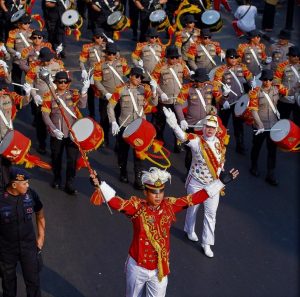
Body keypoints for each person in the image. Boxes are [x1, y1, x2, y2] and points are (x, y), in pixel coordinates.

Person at [90, 166, 238, 296]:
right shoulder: (137, 208)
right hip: (137, 267)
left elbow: (195, 198)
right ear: (146, 193)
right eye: (154, 192)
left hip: (159, 269)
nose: (158, 196)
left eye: (161, 192)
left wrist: (220, 183)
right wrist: (100, 184)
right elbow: (117, 202)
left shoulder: (170, 206)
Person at [163, 107, 231, 257]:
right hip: (196, 181)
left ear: (216, 129)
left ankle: (206, 243)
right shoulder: (196, 141)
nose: (210, 130)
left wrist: (221, 178)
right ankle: (189, 230)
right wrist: (174, 124)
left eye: (213, 128)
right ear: (203, 127)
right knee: (192, 208)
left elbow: (221, 162)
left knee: (211, 214)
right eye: (207, 127)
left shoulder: (219, 143)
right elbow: (183, 137)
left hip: (213, 184)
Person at [107, 67, 158, 189]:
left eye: (141, 77)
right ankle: (123, 172)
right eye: (137, 76)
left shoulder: (144, 89)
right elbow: (110, 106)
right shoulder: (120, 89)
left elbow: (154, 103)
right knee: (123, 153)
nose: (139, 79)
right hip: (125, 125)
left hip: (140, 127)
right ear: (130, 76)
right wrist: (113, 122)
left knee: (139, 154)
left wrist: (155, 91)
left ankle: (138, 179)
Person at [41, 71, 90, 194]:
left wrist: (84, 92)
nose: (63, 84)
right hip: (57, 133)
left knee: (71, 159)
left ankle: (70, 183)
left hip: (72, 133)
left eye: (65, 82)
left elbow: (82, 105)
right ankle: (57, 178)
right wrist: (53, 129)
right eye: (60, 81)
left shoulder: (73, 94)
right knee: (56, 157)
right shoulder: (49, 96)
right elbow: (45, 115)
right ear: (56, 82)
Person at [0, 167, 45, 297]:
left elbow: (40, 212)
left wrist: (41, 237)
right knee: (8, 285)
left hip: (29, 247)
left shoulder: (31, 194)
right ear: (14, 185)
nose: (27, 185)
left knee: (34, 283)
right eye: (24, 183)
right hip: (6, 249)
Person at [174, 68, 220, 172]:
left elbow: (220, 99)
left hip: (206, 124)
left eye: (203, 81)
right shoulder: (187, 88)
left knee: (207, 149)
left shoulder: (211, 87)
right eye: (199, 81)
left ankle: (205, 171)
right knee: (191, 151)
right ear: (195, 80)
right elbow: (177, 105)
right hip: (192, 125)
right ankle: (189, 172)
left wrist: (225, 95)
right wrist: (181, 120)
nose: (201, 84)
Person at [248, 69, 289, 186]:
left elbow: (289, 92)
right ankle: (254, 165)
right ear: (261, 80)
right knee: (257, 147)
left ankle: (270, 174)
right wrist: (259, 124)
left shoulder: (277, 88)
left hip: (273, 125)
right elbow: (254, 110)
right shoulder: (255, 92)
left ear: (272, 80)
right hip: (260, 125)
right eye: (265, 79)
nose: (267, 82)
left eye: (270, 80)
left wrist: (297, 85)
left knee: (272, 150)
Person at [213, 48, 254, 154]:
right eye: (231, 57)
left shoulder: (242, 67)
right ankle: (219, 145)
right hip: (226, 103)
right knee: (223, 125)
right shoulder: (220, 71)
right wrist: (221, 100)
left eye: (236, 57)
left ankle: (240, 146)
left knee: (239, 125)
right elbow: (215, 87)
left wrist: (252, 82)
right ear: (226, 58)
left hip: (239, 101)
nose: (234, 59)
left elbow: (250, 77)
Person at [25, 47, 65, 154]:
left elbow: (64, 81)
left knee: (56, 123)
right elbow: (29, 83)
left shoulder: (58, 65)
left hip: (55, 100)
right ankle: (42, 144)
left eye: (50, 59)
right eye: (46, 60)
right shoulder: (34, 67)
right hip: (41, 101)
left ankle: (55, 147)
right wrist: (34, 95)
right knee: (41, 124)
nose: (49, 62)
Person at [151, 45, 190, 152]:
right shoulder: (160, 67)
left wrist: (192, 74)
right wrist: (161, 93)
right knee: (160, 122)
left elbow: (188, 76)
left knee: (178, 122)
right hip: (165, 100)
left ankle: (178, 144)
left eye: (176, 57)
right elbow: (153, 82)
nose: (174, 60)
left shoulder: (182, 65)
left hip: (178, 100)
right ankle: (159, 141)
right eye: (172, 58)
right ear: (167, 57)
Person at [94, 42, 130, 146]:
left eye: (113, 54)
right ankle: (104, 139)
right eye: (109, 54)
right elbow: (97, 81)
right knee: (105, 119)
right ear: (106, 54)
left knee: (120, 119)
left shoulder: (122, 62)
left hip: (119, 97)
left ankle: (119, 142)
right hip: (106, 97)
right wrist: (105, 93)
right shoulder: (99, 66)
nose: (111, 56)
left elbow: (128, 75)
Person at [0, 85, 32, 192]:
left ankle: (6, 191)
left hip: (7, 138)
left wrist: (27, 94)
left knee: (6, 167)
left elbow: (23, 101)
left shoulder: (8, 96)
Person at [79, 28, 107, 119]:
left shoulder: (107, 46)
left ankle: (103, 115)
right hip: (92, 75)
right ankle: (92, 114)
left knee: (103, 96)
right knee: (91, 95)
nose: (100, 39)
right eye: (97, 37)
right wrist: (83, 70)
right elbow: (82, 61)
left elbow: (115, 56)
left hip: (104, 74)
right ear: (94, 38)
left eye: (102, 37)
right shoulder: (87, 47)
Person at [6, 13, 33, 94]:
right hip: (18, 61)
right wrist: (16, 53)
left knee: (30, 81)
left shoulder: (33, 32)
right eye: (25, 23)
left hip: (29, 61)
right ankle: (18, 102)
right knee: (17, 82)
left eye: (28, 23)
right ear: (19, 24)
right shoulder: (13, 33)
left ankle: (28, 97)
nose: (27, 25)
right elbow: (9, 47)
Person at [273, 46, 300, 126]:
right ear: (289, 56)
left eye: (298, 56)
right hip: (285, 99)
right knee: (282, 121)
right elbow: (276, 83)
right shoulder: (282, 67)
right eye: (294, 56)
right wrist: (286, 92)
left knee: (298, 122)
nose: (296, 57)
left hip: (298, 100)